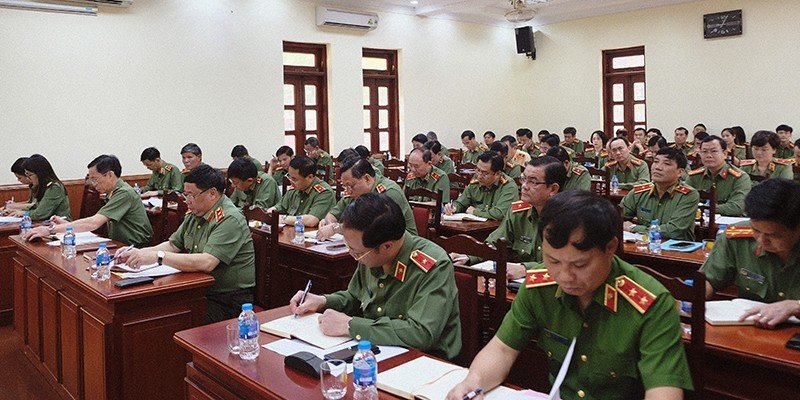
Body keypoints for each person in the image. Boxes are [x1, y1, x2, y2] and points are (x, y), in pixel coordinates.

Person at [446, 190, 693, 400]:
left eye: (579, 265)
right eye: (553, 261)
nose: (564, 276)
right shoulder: (539, 286)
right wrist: (472, 384)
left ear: (610, 248)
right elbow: (502, 349)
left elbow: (663, 391)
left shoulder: (650, 303)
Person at [290, 193, 462, 359]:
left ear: (387, 246)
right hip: (375, 350)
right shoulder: (370, 252)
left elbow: (421, 333)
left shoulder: (433, 265)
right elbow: (355, 297)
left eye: (357, 253)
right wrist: (323, 301)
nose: (352, 255)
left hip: (424, 361)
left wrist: (350, 326)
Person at [115, 165, 255, 323]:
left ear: (212, 193)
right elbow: (173, 245)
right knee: (147, 309)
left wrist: (158, 257)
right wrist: (139, 253)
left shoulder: (229, 219)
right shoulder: (196, 213)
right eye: (185, 194)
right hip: (198, 289)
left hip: (227, 299)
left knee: (167, 320)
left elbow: (207, 262)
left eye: (191, 195)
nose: (186, 200)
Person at [701, 178, 800, 328]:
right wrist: (694, 298)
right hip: (750, 331)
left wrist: (795, 306)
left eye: (774, 235)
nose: (761, 240)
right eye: (756, 230)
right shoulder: (737, 238)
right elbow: (709, 279)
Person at [451, 156, 566, 280]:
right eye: (524, 179)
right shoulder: (518, 212)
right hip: (518, 284)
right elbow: (495, 242)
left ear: (553, 189)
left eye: (533, 182)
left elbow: (567, 264)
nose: (524, 186)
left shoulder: (568, 219)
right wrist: (470, 256)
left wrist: (525, 269)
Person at [24, 155, 153, 247]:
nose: (93, 184)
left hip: (136, 246)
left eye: (95, 179)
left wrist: (50, 229)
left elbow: (94, 223)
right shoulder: (112, 192)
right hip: (120, 244)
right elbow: (95, 223)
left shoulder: (124, 193)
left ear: (110, 175)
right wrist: (67, 225)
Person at [316, 158, 417, 240]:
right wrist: (328, 224)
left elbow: (376, 229)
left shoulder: (388, 192)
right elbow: (333, 213)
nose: (348, 191)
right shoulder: (355, 192)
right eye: (344, 186)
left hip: (398, 243)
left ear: (367, 179)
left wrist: (337, 228)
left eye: (349, 185)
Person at [621, 148, 699, 241]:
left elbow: (673, 230)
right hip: (642, 246)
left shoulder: (688, 195)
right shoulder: (639, 192)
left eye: (666, 164)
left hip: (676, 248)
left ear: (680, 172)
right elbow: (618, 217)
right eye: (656, 161)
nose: (658, 167)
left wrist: (634, 228)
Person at [686, 135, 751, 216]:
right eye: (704, 152)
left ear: (725, 154)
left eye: (714, 151)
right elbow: (682, 202)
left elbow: (737, 207)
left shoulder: (739, 177)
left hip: (729, 221)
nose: (709, 155)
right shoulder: (694, 176)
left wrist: (705, 208)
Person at [443, 151, 519, 221]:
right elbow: (461, 202)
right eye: (478, 170)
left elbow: (500, 214)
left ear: (497, 174)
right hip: (475, 227)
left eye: (485, 173)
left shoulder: (508, 186)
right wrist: (454, 207)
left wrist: (475, 211)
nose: (479, 176)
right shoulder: (476, 182)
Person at [268, 155, 334, 228]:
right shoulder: (294, 188)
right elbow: (280, 206)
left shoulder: (324, 192)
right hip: (292, 230)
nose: (291, 181)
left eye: (294, 179)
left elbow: (311, 220)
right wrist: (269, 212)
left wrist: (283, 219)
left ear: (309, 177)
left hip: (310, 232)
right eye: (289, 176)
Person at [5, 155, 71, 221]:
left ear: (40, 173)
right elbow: (34, 206)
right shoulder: (40, 186)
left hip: (59, 224)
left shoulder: (54, 187)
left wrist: (23, 213)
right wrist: (15, 210)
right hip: (43, 223)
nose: (28, 178)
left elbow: (40, 213)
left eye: (30, 175)